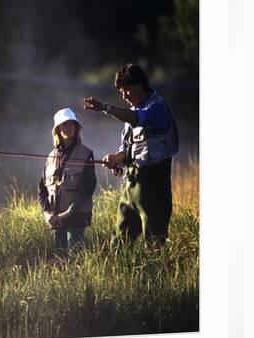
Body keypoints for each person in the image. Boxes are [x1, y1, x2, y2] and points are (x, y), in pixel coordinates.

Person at [84, 64, 179, 246]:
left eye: (127, 89)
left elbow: (138, 119)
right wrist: (116, 159)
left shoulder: (157, 108)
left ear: (140, 85)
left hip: (154, 185)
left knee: (154, 243)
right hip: (131, 185)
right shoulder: (132, 113)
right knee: (119, 241)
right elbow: (126, 149)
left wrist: (105, 107)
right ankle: (119, 274)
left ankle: (155, 274)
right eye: (121, 91)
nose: (124, 95)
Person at [38, 108, 97, 256]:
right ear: (57, 129)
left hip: (76, 218)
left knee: (76, 259)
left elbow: (88, 188)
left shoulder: (86, 154)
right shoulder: (51, 157)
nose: (68, 128)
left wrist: (68, 212)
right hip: (55, 218)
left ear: (76, 128)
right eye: (64, 124)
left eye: (72, 124)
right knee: (60, 260)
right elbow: (42, 189)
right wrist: (47, 214)